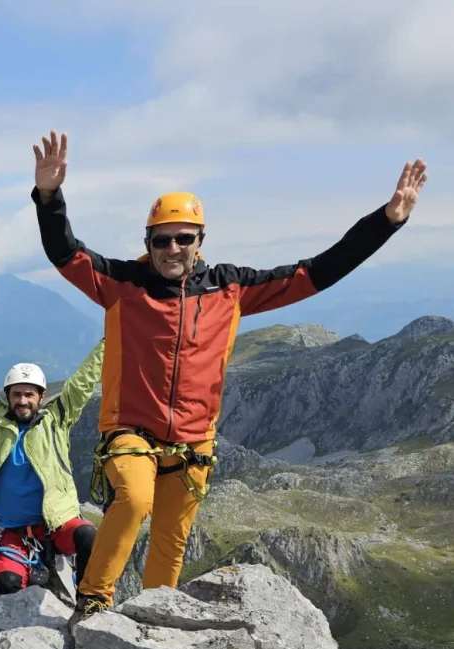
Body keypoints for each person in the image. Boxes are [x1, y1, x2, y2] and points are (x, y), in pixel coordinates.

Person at [30, 130, 429, 620]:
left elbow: (317, 272)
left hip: (194, 441)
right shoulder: (123, 284)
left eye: (183, 238)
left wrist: (385, 222)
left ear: (200, 241)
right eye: (161, 240)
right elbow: (66, 254)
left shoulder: (231, 288)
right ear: (148, 243)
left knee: (172, 541)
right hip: (130, 429)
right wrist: (49, 198)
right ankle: (93, 600)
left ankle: (155, 613)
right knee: (132, 502)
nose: (172, 248)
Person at [0, 302, 103, 597]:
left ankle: (88, 598)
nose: (22, 401)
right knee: (7, 585)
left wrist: (110, 339)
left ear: (41, 398)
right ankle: (31, 573)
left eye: (29, 395)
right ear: (7, 397)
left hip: (58, 525)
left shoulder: (57, 419)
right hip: (16, 532)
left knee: (88, 536)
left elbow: (83, 382)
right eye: (16, 394)